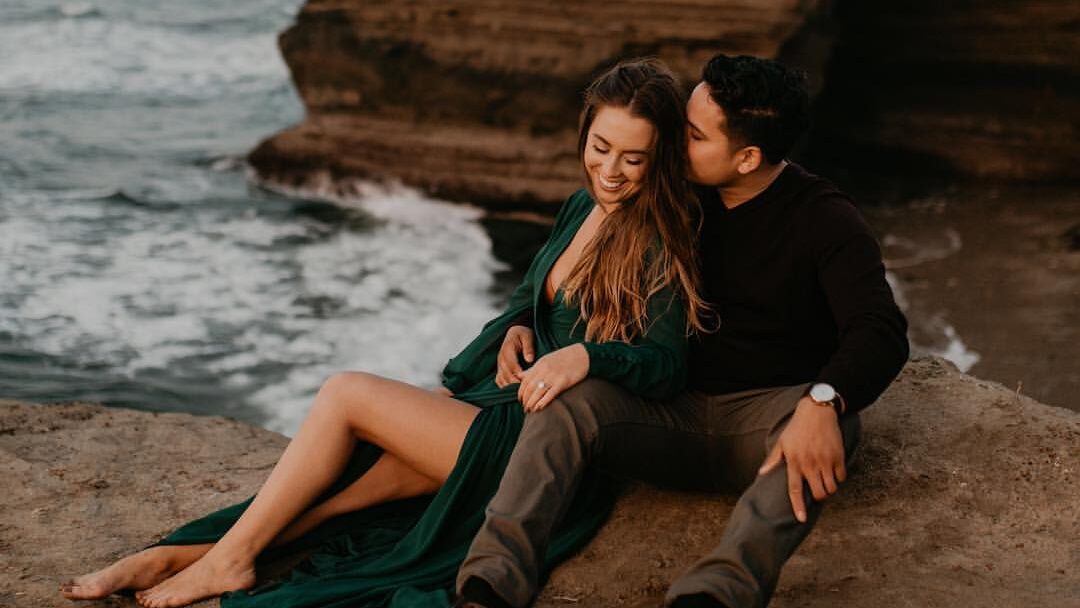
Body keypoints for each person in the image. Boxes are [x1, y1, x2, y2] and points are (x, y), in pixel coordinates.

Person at [60, 58, 709, 608]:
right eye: (600, 148)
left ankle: (226, 562)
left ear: (660, 158)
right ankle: (184, 555)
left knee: (345, 395)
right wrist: (516, 329)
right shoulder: (580, 207)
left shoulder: (659, 235)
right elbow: (527, 299)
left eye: (634, 158)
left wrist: (582, 358)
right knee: (335, 504)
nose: (613, 171)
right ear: (583, 134)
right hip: (506, 405)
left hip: (549, 444)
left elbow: (664, 364)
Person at [455, 54, 910, 608]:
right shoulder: (673, 192)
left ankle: (713, 594)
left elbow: (879, 327)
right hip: (665, 412)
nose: (673, 142)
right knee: (565, 403)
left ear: (746, 157)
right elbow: (571, 263)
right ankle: (491, 582)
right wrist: (523, 321)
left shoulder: (825, 220)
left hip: (765, 416)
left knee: (836, 426)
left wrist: (823, 400)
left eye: (691, 134)